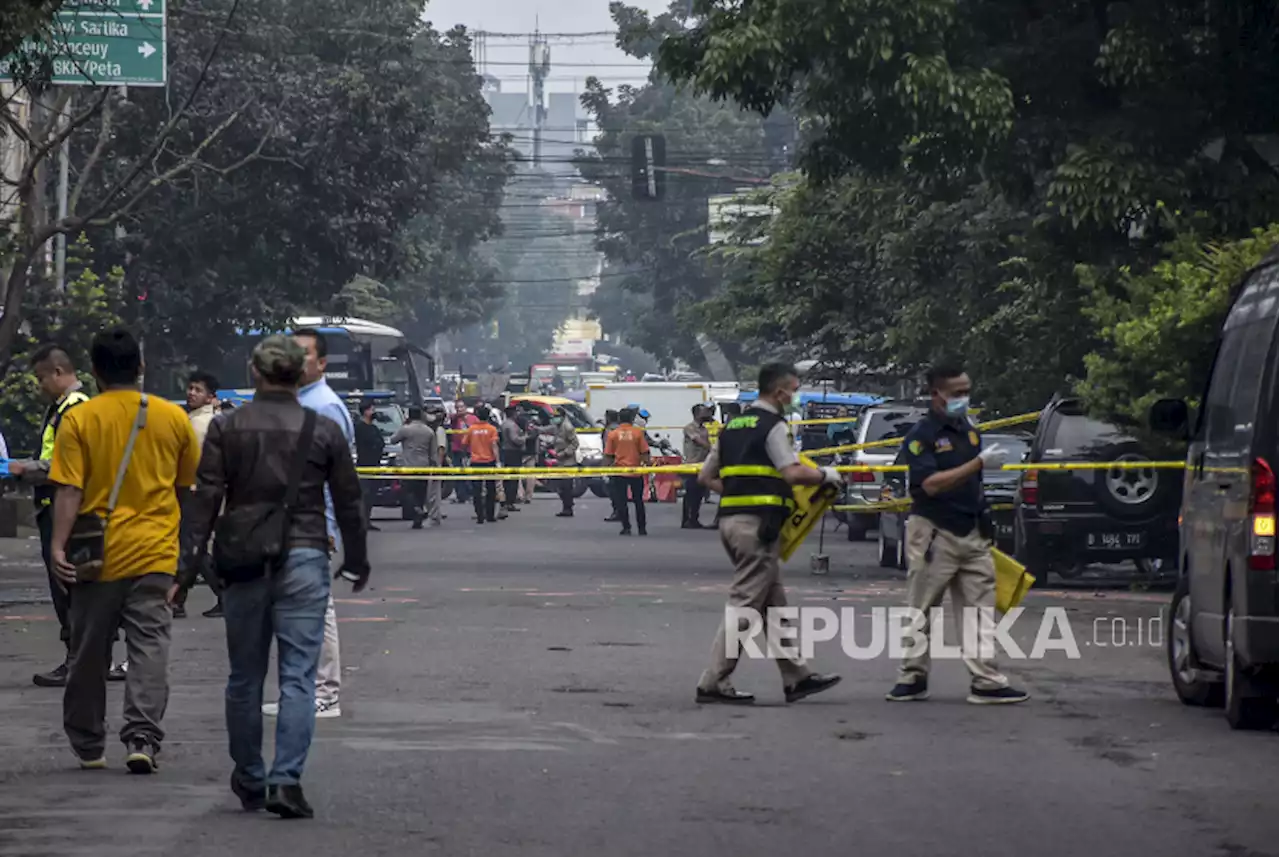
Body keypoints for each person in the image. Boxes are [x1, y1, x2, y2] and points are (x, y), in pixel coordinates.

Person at [179, 335, 369, 819]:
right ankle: (286, 780)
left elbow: (204, 502)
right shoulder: (322, 429)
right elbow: (348, 500)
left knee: (244, 675)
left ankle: (249, 774)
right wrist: (357, 559)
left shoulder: (227, 426)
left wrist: (183, 570)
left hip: (242, 558)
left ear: (255, 373)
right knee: (298, 677)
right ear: (299, 373)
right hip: (305, 554)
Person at [48, 328, 200, 771]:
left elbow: (69, 491)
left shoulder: (79, 420)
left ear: (94, 371)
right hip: (155, 554)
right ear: (141, 367)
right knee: (149, 648)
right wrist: (186, 557)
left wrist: (58, 546)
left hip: (97, 556)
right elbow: (187, 488)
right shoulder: (172, 418)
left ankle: (88, 743)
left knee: (89, 651)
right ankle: (142, 738)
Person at [695, 361, 843, 706]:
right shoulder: (774, 426)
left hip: (731, 523)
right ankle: (713, 681)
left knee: (772, 604)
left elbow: (705, 477)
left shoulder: (733, 427)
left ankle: (797, 677)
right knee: (745, 604)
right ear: (779, 392)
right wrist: (825, 475)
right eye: (794, 389)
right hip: (758, 528)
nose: (795, 396)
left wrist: (736, 494)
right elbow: (792, 473)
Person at [885, 362, 1030, 705]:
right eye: (957, 393)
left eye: (967, 392)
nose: (964, 399)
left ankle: (986, 680)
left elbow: (972, 485)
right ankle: (912, 676)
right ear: (936, 394)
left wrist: (985, 518)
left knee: (979, 611)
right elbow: (930, 485)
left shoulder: (969, 430)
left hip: (972, 533)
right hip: (934, 532)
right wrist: (978, 464)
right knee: (921, 608)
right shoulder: (921, 436)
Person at [10, 344, 126, 687]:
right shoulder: (64, 407)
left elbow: (67, 467)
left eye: (41, 377)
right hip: (58, 505)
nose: (40, 385)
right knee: (74, 587)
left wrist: (24, 469)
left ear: (58, 373)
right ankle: (88, 658)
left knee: (70, 587)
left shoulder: (75, 409)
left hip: (67, 510)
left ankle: (82, 659)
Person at [264, 327, 354, 720]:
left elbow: (336, 476)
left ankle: (325, 693)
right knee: (294, 612)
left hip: (313, 525)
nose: (297, 361)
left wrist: (330, 527)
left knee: (318, 610)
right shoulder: (295, 401)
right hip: (287, 523)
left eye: (305, 354)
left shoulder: (325, 406)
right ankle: (300, 690)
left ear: (322, 362)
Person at [173, 370, 225, 619]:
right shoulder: (204, 418)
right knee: (194, 544)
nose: (191, 393)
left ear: (209, 397)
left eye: (198, 390)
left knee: (192, 545)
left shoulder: (198, 424)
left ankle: (179, 597)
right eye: (191, 388)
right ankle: (178, 599)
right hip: (203, 490)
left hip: (195, 490)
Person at [604, 408, 650, 537]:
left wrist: (604, 469)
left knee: (621, 501)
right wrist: (649, 465)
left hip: (619, 471)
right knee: (638, 501)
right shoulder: (638, 433)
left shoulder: (613, 434)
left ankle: (626, 527)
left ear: (619, 419)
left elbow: (608, 455)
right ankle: (642, 528)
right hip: (636, 471)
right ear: (631, 419)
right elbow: (644, 452)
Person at [389, 407, 436, 530]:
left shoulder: (406, 430)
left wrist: (404, 426)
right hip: (424, 466)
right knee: (421, 492)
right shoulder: (429, 431)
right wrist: (434, 465)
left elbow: (393, 440)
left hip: (409, 466)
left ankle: (416, 509)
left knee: (407, 491)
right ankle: (418, 519)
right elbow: (432, 452)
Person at [353, 400, 387, 531]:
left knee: (372, 494)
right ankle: (361, 521)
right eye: (371, 410)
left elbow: (381, 443)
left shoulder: (374, 428)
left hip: (375, 465)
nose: (373, 412)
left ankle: (367, 520)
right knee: (364, 494)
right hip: (364, 466)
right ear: (365, 411)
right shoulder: (359, 428)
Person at [465, 404, 501, 523]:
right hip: (489, 462)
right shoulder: (492, 429)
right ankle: (490, 515)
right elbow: (494, 445)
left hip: (475, 462)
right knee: (491, 489)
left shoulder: (471, 429)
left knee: (477, 490)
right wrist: (498, 461)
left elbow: (464, 443)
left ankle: (480, 516)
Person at [682, 404, 713, 529]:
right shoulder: (690, 428)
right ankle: (687, 519)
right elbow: (698, 441)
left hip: (703, 464)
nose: (707, 414)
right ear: (697, 414)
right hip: (692, 465)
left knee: (699, 493)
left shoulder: (704, 428)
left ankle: (694, 518)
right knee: (691, 493)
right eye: (704, 412)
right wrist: (714, 449)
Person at [423, 407, 449, 527]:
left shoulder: (439, 431)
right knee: (430, 493)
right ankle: (433, 515)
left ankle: (434, 517)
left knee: (433, 493)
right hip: (429, 464)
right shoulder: (430, 430)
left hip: (435, 465)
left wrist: (438, 465)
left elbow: (441, 449)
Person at [553, 407, 580, 518]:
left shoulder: (567, 427)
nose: (555, 419)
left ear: (562, 416)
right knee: (560, 487)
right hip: (560, 462)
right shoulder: (558, 427)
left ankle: (568, 508)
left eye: (557, 416)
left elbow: (575, 443)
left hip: (568, 462)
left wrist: (564, 453)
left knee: (566, 486)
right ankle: (567, 505)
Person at [499, 405, 527, 514]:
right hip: (513, 452)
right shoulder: (511, 425)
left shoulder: (504, 424)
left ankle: (508, 500)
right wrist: (525, 437)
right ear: (513, 414)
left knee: (508, 478)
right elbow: (515, 439)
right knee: (513, 478)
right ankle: (510, 502)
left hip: (507, 451)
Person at [450, 404, 478, 504]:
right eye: (457, 407)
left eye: (461, 407)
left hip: (471, 450)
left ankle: (471, 494)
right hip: (457, 449)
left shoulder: (473, 418)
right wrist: (459, 416)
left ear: (465, 408)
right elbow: (451, 418)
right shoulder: (455, 419)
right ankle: (461, 495)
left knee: (471, 473)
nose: (459, 409)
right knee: (458, 472)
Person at [602, 409, 622, 523]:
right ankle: (620, 511)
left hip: (613, 462)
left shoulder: (610, 430)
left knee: (613, 489)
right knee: (618, 488)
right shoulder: (619, 429)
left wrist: (605, 465)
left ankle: (617, 511)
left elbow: (608, 449)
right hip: (620, 461)